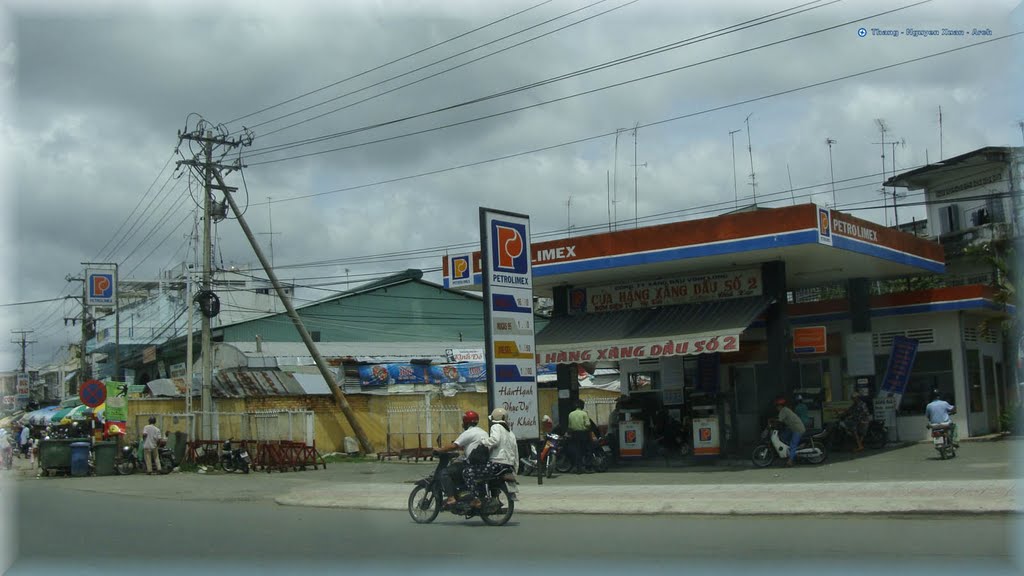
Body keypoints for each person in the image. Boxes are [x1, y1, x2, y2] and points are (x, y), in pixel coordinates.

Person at [463, 408, 518, 509]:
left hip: (497, 463)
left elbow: (495, 440)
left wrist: (483, 442)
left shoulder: (496, 426)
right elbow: (516, 452)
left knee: (468, 471)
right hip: (508, 465)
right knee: (483, 474)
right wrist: (515, 468)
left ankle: (476, 499)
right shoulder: (511, 433)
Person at [434, 410, 487, 507]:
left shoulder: (469, 432)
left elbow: (454, 445)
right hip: (482, 463)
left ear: (466, 422)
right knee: (456, 465)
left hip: (471, 464)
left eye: (463, 422)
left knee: (444, 473)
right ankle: (462, 493)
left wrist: (440, 450)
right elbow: (468, 445)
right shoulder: (483, 432)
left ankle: (451, 498)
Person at [773, 397, 805, 466]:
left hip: (797, 429)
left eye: (777, 406)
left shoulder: (783, 411)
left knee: (793, 444)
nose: (776, 408)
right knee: (782, 436)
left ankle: (790, 461)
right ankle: (790, 450)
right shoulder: (785, 410)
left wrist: (773, 425)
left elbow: (779, 421)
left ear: (780, 406)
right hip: (793, 428)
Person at [568, 400, 592, 474]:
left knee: (576, 451)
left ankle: (578, 468)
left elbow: (570, 426)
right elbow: (588, 424)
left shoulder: (571, 414)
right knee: (586, 450)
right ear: (582, 406)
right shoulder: (584, 414)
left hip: (574, 434)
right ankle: (586, 467)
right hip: (583, 434)